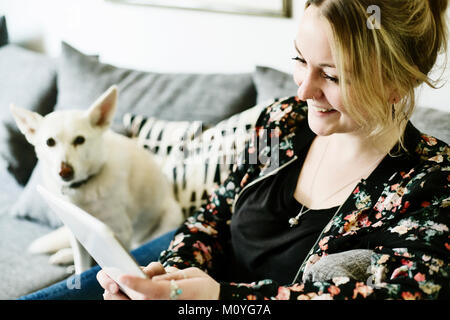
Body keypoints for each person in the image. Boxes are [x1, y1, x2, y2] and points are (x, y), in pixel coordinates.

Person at [22, 0, 449, 300]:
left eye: (333, 77)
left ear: (397, 83)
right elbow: (213, 218)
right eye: (300, 60)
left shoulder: (432, 185)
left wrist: (222, 298)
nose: (302, 90)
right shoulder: (282, 121)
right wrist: (170, 272)